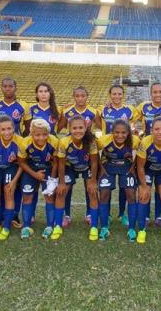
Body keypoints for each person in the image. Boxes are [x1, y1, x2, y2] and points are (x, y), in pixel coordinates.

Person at [133, 82, 161, 227]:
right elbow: (130, 118)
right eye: (155, 92)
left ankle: (159, 218)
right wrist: (137, 132)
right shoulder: (143, 106)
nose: (157, 94)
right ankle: (143, 219)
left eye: (160, 92)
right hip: (148, 152)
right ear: (151, 94)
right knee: (145, 192)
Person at [53, 116, 99, 241]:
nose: (78, 131)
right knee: (61, 193)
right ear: (69, 129)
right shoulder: (64, 142)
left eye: (80, 128)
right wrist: (61, 182)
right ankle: (58, 225)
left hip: (86, 167)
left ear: (85, 128)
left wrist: (93, 181)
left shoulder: (91, 141)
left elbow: (94, 163)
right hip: (70, 167)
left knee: (93, 192)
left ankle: (94, 225)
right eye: (74, 128)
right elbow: (61, 164)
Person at [94, 84, 135, 226]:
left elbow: (133, 128)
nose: (116, 96)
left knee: (126, 187)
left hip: (124, 151)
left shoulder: (130, 110)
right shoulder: (102, 109)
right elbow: (95, 119)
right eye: (114, 94)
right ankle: (108, 215)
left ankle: (122, 214)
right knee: (106, 187)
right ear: (109, 95)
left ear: (123, 95)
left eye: (119, 94)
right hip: (108, 149)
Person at [58, 86, 97, 227]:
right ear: (73, 97)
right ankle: (66, 214)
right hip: (71, 153)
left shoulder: (93, 112)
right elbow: (58, 127)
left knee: (90, 187)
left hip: (86, 149)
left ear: (87, 97)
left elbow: (104, 128)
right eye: (77, 96)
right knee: (66, 187)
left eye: (83, 96)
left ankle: (90, 214)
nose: (80, 98)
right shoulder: (67, 111)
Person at [97, 119, 140, 241]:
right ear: (112, 132)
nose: (120, 135)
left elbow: (140, 155)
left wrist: (133, 168)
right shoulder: (103, 140)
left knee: (131, 193)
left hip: (126, 167)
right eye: (117, 132)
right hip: (108, 167)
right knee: (104, 194)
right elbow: (94, 153)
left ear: (128, 133)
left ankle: (131, 228)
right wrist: (101, 168)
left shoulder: (135, 141)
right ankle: (104, 227)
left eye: (123, 132)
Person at [17, 119, 59, 239]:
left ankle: (50, 225)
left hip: (48, 170)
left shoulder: (54, 141)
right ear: (31, 133)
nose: (41, 138)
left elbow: (56, 162)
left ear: (48, 134)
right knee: (27, 197)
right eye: (37, 135)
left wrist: (52, 179)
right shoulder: (25, 142)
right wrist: (34, 174)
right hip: (30, 170)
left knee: (49, 196)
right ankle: (26, 226)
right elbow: (21, 162)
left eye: (44, 134)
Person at [0, 116, 24, 241]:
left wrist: (14, 181)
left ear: (14, 128)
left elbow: (22, 164)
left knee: (9, 193)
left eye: (9, 128)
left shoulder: (20, 141)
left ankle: (6, 226)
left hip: (11, 168)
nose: (6, 132)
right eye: (3, 129)